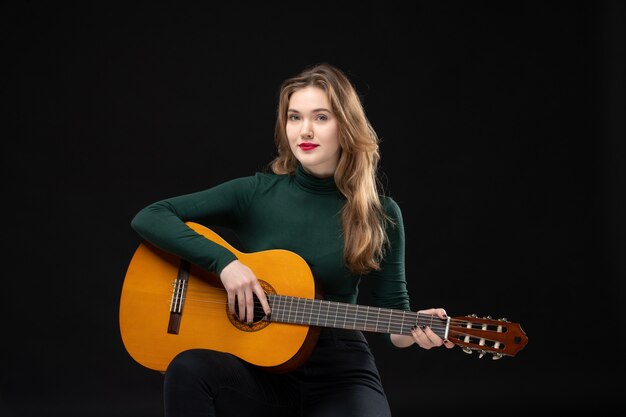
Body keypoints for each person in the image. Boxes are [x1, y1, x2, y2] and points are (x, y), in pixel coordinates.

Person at [130, 62, 454, 417]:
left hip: (340, 370)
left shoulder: (381, 214)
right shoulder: (255, 194)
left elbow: (396, 319)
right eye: (294, 117)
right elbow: (150, 216)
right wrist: (224, 264)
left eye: (321, 117)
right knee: (187, 369)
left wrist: (416, 328)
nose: (305, 130)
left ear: (346, 125)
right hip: (259, 368)